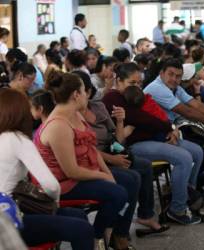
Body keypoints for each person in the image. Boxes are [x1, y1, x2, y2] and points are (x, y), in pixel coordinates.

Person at [34, 71, 134, 249]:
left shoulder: (75, 115)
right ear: (76, 95)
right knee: (118, 193)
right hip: (63, 184)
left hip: (79, 175)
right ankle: (97, 237)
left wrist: (107, 173)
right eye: (84, 90)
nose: (88, 94)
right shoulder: (58, 125)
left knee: (129, 180)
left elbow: (91, 149)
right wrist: (103, 177)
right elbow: (70, 171)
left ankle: (112, 233)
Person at [102, 63, 204, 225]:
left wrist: (169, 127)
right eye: (132, 83)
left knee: (197, 151)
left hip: (154, 136)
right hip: (134, 144)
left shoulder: (133, 94)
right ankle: (177, 209)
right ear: (119, 81)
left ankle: (187, 195)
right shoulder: (112, 98)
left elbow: (153, 116)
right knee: (184, 157)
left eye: (139, 83)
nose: (137, 87)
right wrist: (166, 126)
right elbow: (142, 118)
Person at [74, 70, 169, 235]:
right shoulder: (71, 117)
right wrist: (112, 159)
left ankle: (143, 215)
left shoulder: (98, 107)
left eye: (80, 92)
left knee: (143, 166)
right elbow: (85, 151)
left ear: (88, 92)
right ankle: (117, 233)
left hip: (109, 153)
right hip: (92, 161)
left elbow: (117, 140)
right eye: (133, 83)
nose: (138, 87)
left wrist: (120, 121)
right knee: (131, 179)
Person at [0, 88, 95, 250]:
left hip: (11, 210)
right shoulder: (18, 140)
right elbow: (51, 185)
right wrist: (54, 204)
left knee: (77, 215)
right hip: (8, 223)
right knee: (83, 229)